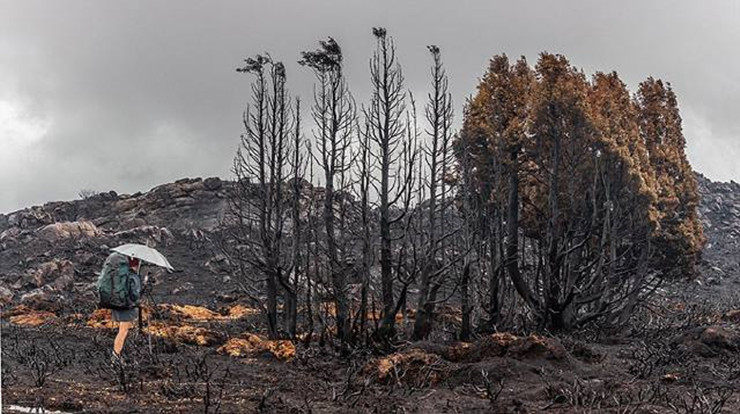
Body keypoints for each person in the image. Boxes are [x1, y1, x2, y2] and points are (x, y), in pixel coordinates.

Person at [111, 256, 142, 364]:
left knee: (122, 330)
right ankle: (115, 356)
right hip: (127, 307)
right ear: (136, 265)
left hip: (117, 305)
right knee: (123, 332)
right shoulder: (133, 276)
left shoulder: (121, 274)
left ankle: (116, 354)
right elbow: (134, 295)